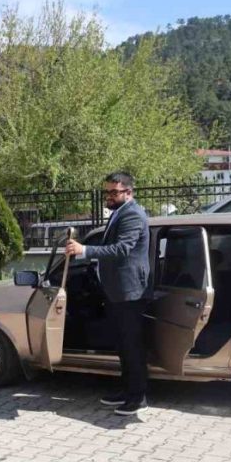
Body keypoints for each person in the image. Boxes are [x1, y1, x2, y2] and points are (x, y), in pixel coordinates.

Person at [65, 172, 151, 416]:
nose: (109, 196)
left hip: (130, 292)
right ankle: (127, 390)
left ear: (129, 192)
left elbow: (123, 249)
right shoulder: (119, 213)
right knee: (123, 345)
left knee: (132, 346)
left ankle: (137, 397)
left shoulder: (132, 214)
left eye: (115, 192)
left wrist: (85, 250)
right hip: (117, 291)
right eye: (108, 192)